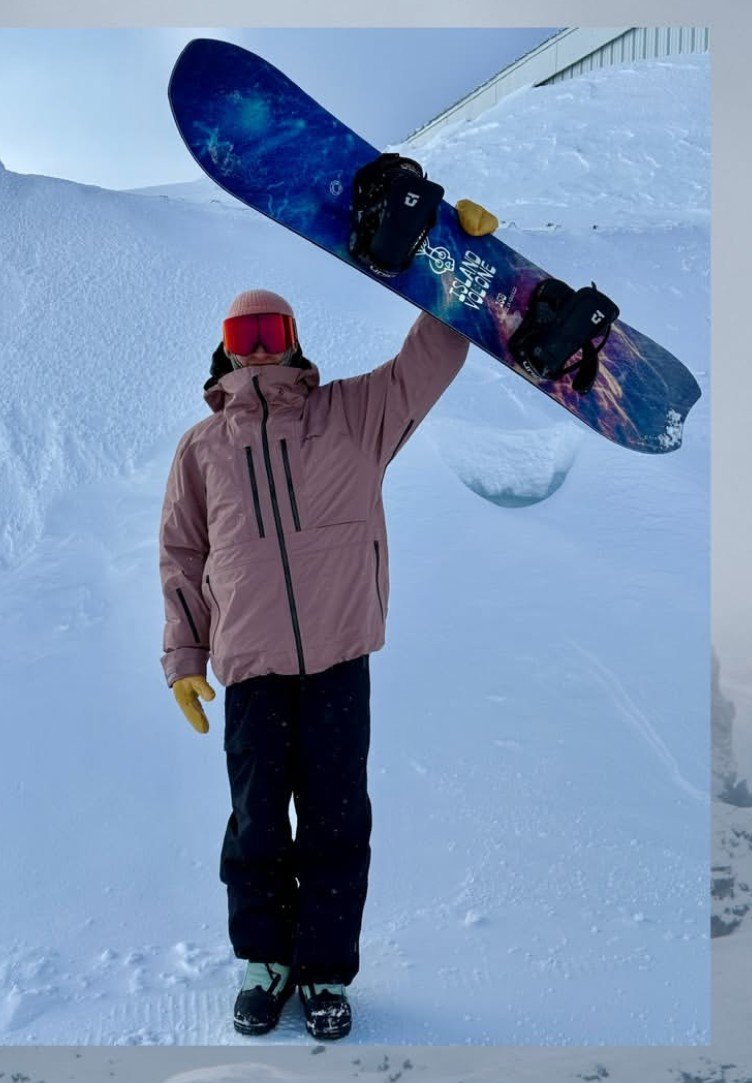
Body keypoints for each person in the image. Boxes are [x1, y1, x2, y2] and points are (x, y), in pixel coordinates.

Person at [159, 198, 498, 1041]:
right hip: (251, 669)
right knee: (257, 822)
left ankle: (322, 971)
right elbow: (180, 556)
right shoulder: (201, 449)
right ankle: (263, 962)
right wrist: (184, 658)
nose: (261, 350)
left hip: (341, 659)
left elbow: (430, 358)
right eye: (247, 338)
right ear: (223, 352)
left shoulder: (353, 414)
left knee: (339, 821)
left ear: (298, 338)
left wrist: (457, 267)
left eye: (273, 332)